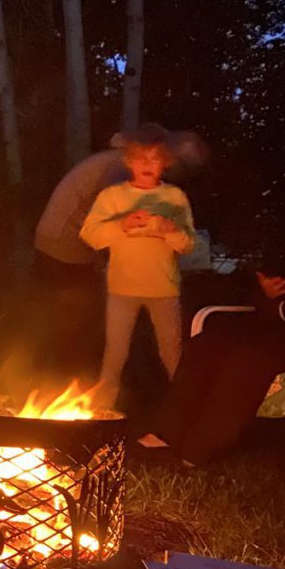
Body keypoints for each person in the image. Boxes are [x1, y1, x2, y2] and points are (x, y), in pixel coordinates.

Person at [31, 129, 208, 380]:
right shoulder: (121, 174)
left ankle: (60, 380)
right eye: (183, 167)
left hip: (55, 239)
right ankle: (67, 383)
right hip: (64, 246)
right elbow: (114, 228)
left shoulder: (119, 162)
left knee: (74, 322)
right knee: (77, 322)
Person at [140, 226, 285, 465]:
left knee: (252, 356)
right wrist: (271, 293)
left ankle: (201, 444)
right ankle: (168, 432)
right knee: (210, 341)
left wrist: (283, 309)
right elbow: (273, 302)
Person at [80, 124, 196, 408]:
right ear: (129, 161)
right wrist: (122, 224)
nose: (147, 164)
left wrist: (169, 229)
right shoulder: (112, 197)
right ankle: (99, 415)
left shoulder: (174, 198)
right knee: (114, 355)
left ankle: (185, 410)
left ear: (165, 163)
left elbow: (188, 244)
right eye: (140, 158)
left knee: (172, 354)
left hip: (164, 289)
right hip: (122, 289)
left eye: (154, 158)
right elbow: (90, 235)